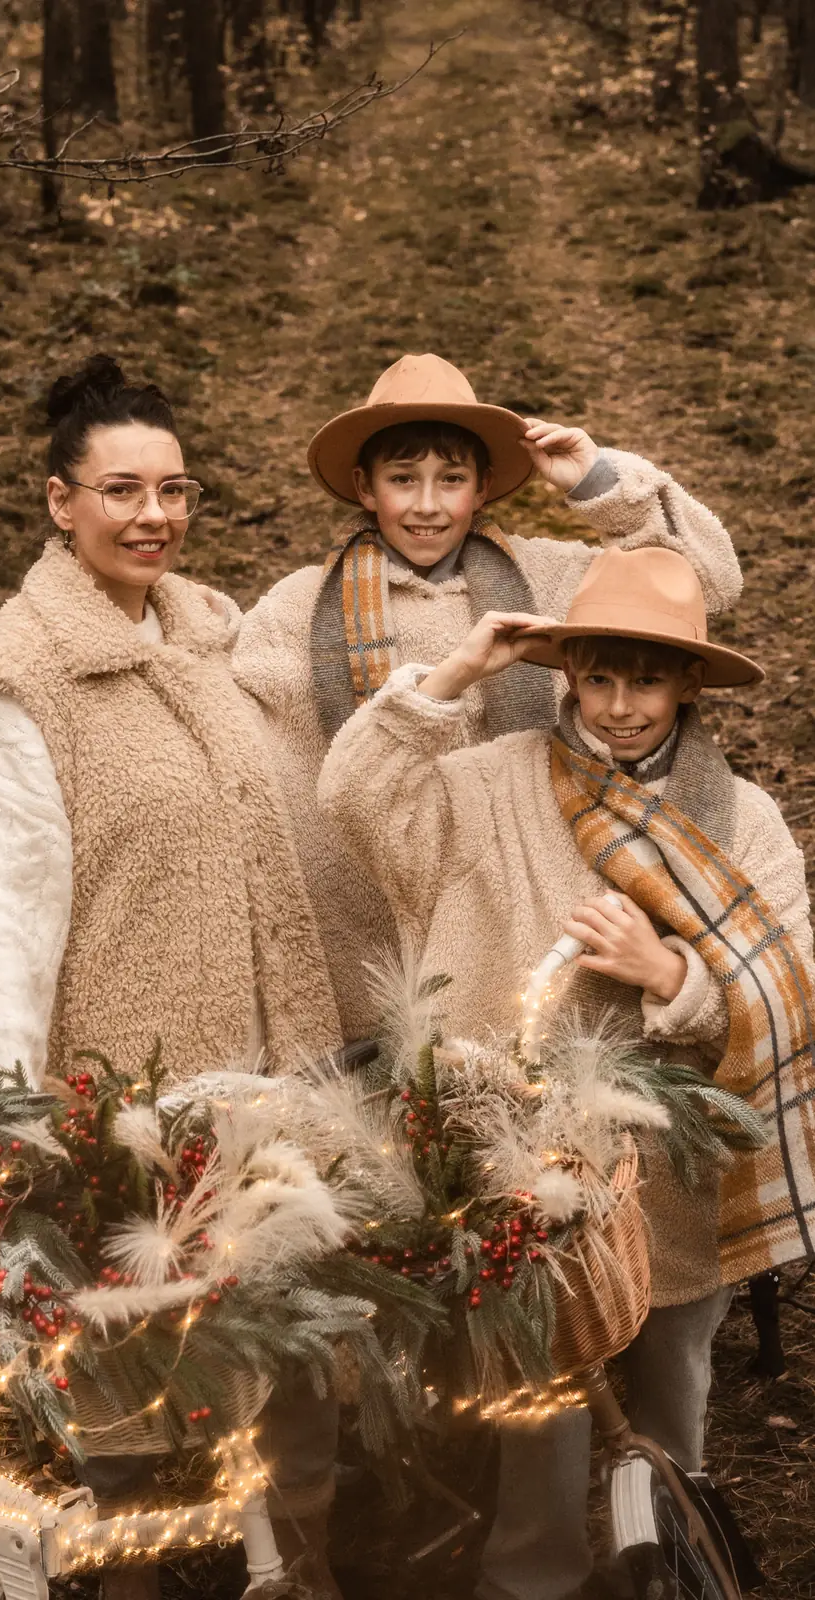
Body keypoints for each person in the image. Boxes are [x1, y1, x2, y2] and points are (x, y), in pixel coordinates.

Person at [317, 546, 815, 1600]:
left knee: (673, 1384)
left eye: (646, 679)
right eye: (598, 676)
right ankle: (530, 1576)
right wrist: (450, 676)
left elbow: (792, 978)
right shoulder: (484, 788)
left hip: (669, 1177)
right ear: (566, 676)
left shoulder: (741, 821)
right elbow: (354, 794)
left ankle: (672, 1562)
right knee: (534, 1398)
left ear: (686, 684)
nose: (621, 705)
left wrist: (671, 973)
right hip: (519, 1173)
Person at [0, 353, 343, 1600]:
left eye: (174, 490)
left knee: (285, 1394)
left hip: (261, 1101)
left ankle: (304, 1577)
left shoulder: (198, 637)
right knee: (145, 1440)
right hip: (125, 1117)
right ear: (58, 501)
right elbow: (0, 932)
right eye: (121, 490)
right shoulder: (26, 690)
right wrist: (18, 1137)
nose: (153, 515)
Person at [232, 353, 744, 1043]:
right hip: (364, 923)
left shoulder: (553, 578)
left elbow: (703, 585)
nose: (426, 504)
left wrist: (597, 482)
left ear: (482, 488)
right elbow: (239, 753)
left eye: (451, 480)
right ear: (363, 485)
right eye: (401, 479)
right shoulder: (296, 610)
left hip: (528, 908)